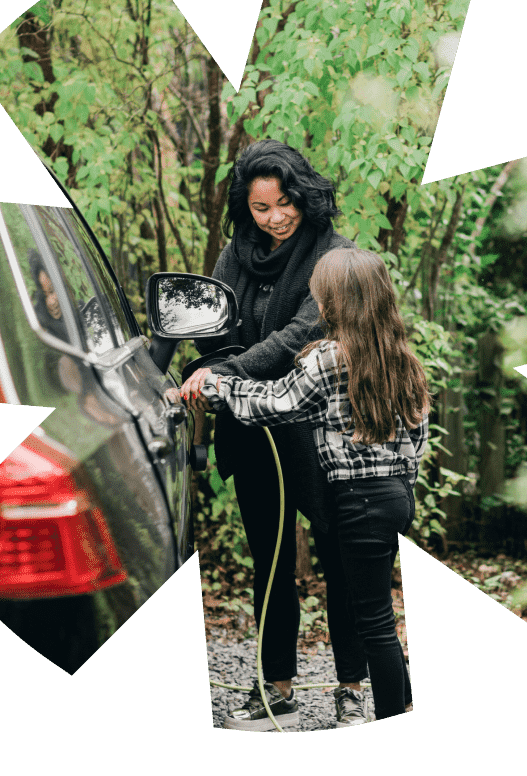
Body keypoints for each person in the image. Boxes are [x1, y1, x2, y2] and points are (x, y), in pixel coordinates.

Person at [188, 247, 431, 725]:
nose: (316, 304)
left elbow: (275, 404)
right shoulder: (401, 358)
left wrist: (221, 386)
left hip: (356, 501)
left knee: (376, 622)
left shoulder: (325, 359)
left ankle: (388, 711)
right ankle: (398, 693)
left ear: (333, 305)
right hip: (398, 497)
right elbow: (418, 437)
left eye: (319, 297)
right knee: (377, 603)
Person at [179, 139, 370, 731]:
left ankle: (351, 689)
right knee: (271, 560)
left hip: (323, 433)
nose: (276, 217)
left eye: (285, 202)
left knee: (341, 560)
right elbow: (208, 329)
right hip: (252, 434)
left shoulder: (335, 257)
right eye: (262, 208)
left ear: (304, 195)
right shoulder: (234, 255)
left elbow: (295, 337)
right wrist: (196, 367)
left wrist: (223, 372)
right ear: (246, 209)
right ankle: (277, 689)